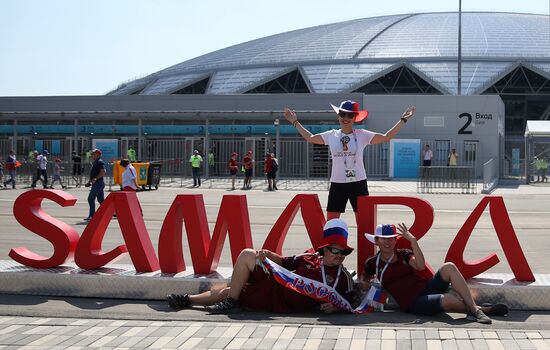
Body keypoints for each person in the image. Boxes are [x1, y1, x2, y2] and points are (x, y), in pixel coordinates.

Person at [167, 218, 355, 313]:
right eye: (335, 251)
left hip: (279, 303)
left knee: (230, 291)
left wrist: (335, 308)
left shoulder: (343, 277)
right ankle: (221, 302)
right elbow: (283, 262)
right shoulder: (308, 257)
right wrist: (267, 254)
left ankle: (188, 299)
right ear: (325, 250)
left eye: (343, 252)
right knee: (248, 253)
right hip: (275, 285)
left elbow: (349, 302)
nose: (340, 256)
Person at [284, 100, 415, 223]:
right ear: (338, 116)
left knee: (364, 222)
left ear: (355, 118)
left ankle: (365, 247)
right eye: (342, 114)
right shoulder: (331, 135)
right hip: (337, 183)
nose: (345, 118)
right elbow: (310, 138)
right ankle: (333, 247)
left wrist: (403, 119)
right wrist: (295, 122)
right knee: (332, 223)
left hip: (358, 183)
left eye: (350, 115)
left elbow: (387, 137)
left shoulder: (362, 134)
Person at [361, 223, 509, 324]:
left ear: (395, 240)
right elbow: (365, 277)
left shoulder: (403, 254)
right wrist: (365, 284)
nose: (388, 242)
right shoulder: (372, 262)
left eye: (391, 239)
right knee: (447, 299)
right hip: (412, 302)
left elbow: (419, 266)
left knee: (449, 266)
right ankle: (484, 309)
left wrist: (413, 240)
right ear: (376, 241)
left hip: (426, 288)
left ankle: (474, 310)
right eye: (384, 239)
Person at [84, 149, 106, 221]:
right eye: (92, 154)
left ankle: (92, 215)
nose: (92, 155)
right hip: (97, 183)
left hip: (98, 183)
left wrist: (96, 179)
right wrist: (89, 182)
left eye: (93, 154)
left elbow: (103, 172)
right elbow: (94, 174)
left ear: (98, 154)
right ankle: (112, 212)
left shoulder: (99, 162)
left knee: (90, 198)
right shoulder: (95, 162)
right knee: (101, 201)